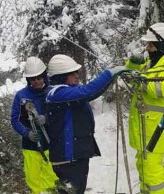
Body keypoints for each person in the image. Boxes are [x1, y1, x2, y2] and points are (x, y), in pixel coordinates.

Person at [45, 54, 128, 193]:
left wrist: (113, 77)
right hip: (67, 159)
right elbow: (88, 91)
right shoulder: (57, 94)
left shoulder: (65, 93)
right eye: (72, 73)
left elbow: (92, 93)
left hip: (74, 157)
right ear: (61, 76)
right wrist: (109, 73)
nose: (77, 75)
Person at [125, 22, 164, 194]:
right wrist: (133, 62)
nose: (147, 48)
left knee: (152, 172)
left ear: (161, 45)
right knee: (142, 167)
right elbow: (131, 71)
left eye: (151, 44)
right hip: (145, 129)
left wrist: (139, 79)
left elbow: (159, 89)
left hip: (156, 130)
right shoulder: (151, 64)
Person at [10, 56, 58, 193]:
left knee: (51, 179)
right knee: (33, 181)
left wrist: (47, 119)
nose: (36, 81)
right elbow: (14, 119)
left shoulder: (53, 92)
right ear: (28, 80)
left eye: (39, 77)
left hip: (51, 144)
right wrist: (27, 133)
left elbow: (61, 116)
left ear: (44, 76)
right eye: (32, 79)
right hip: (30, 146)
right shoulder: (21, 96)